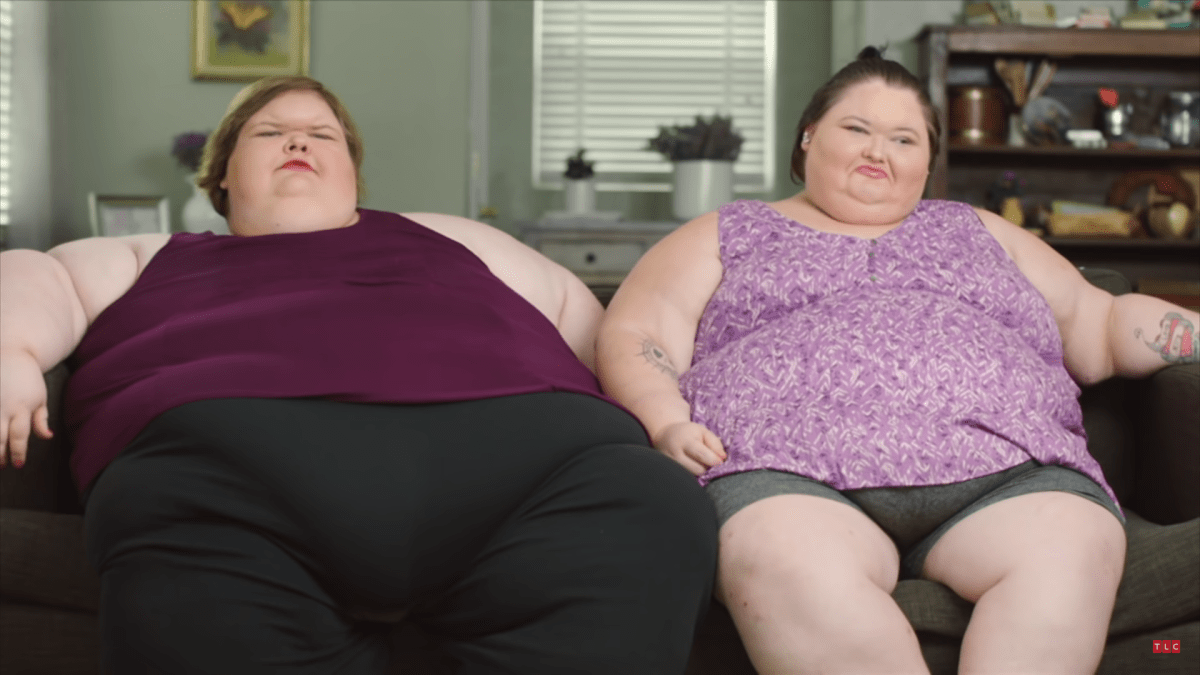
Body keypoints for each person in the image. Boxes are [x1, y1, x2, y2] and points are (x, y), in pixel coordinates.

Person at [0, 76, 718, 674]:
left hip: (544, 475)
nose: (299, 142)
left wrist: (668, 406)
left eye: (324, 135)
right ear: (221, 173)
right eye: (270, 131)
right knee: (168, 526)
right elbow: (38, 275)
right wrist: (11, 352)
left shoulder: (455, 237)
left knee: (649, 501)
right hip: (226, 482)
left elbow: (612, 332)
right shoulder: (147, 253)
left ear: (353, 175)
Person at [596, 46, 1200, 675]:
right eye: (856, 128)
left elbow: (1100, 323)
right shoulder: (730, 231)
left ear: (928, 162)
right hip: (781, 468)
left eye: (904, 139)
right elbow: (639, 331)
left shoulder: (978, 230)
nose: (878, 152)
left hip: (1009, 465)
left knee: (1071, 548)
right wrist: (664, 420)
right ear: (808, 137)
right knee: (780, 559)